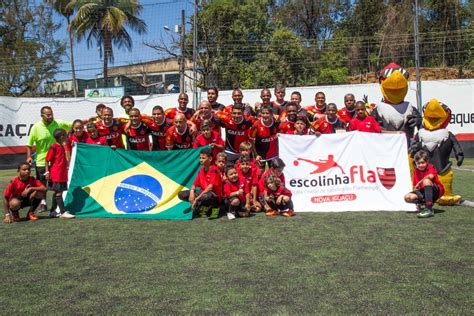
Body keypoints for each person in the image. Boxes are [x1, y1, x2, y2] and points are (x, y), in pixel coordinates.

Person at [26, 106, 73, 213]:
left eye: (51, 114)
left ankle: (54, 208)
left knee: (55, 186)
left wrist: (73, 138)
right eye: (48, 115)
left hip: (56, 163)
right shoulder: (36, 127)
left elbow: (73, 125)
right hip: (42, 161)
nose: (50, 116)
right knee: (42, 186)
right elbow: (29, 145)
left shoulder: (58, 123)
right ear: (42, 115)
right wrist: (28, 156)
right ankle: (43, 203)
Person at [178, 148, 222, 219]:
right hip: (203, 194)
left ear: (210, 159)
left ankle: (215, 208)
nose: (201, 160)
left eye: (203, 158)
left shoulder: (214, 169)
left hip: (214, 196)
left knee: (205, 196)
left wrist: (196, 199)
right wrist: (192, 192)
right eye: (200, 158)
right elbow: (194, 184)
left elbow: (210, 188)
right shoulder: (201, 170)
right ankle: (203, 206)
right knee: (181, 194)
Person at [404, 150, 445, 218]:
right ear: (416, 163)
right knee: (407, 197)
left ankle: (429, 209)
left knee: (426, 181)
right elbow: (416, 186)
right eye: (418, 163)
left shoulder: (430, 166)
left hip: (436, 192)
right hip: (424, 191)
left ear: (427, 162)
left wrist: (420, 182)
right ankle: (420, 204)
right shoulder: (416, 170)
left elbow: (430, 176)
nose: (420, 165)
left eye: (423, 163)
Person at [45, 129, 75, 219]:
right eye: (66, 135)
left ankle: (52, 212)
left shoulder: (62, 146)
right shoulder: (53, 147)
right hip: (56, 174)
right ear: (62, 137)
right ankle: (63, 212)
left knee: (57, 193)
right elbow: (47, 160)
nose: (67, 137)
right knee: (59, 193)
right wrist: (47, 172)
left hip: (62, 174)